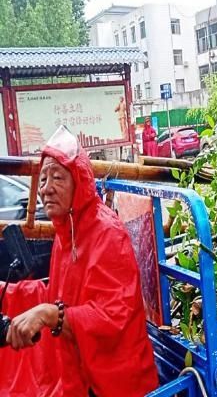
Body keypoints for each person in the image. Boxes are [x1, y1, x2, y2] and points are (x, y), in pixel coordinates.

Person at [0, 126, 159, 396]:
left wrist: (50, 315)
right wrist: (9, 292)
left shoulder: (107, 233)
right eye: (43, 179)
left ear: (79, 182)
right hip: (80, 375)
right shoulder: (67, 232)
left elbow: (111, 316)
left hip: (118, 382)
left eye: (58, 177)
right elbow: (58, 295)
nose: (46, 189)